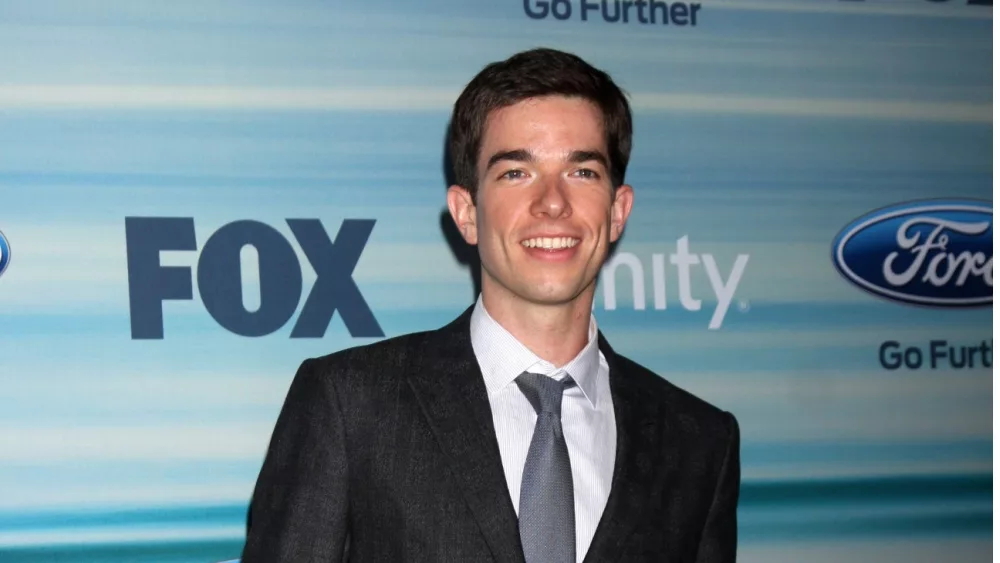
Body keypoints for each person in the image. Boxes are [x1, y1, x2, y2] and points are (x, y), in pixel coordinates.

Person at [241, 47, 740, 563]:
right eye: (516, 173)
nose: (552, 202)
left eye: (582, 172)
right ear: (466, 213)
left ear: (617, 211)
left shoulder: (701, 442)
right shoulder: (353, 404)